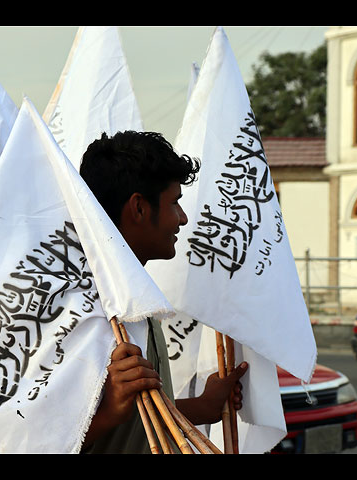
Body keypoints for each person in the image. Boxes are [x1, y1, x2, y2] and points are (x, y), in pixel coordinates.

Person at [79, 130, 248, 453]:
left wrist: (204, 406)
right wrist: (111, 410)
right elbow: (32, 437)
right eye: (174, 203)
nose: (182, 219)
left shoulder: (137, 300)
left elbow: (142, 418)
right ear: (139, 208)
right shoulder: (83, 308)